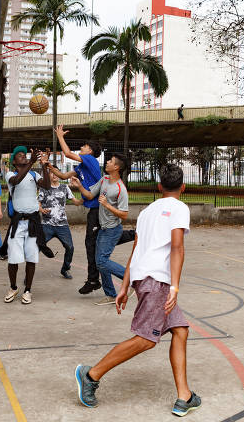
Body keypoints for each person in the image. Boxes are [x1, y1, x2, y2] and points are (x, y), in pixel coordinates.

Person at [75, 164, 200, 417]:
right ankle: (91, 375)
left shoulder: (146, 211)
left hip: (145, 278)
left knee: (180, 330)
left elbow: (136, 250)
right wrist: (174, 286)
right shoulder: (180, 208)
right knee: (146, 339)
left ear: (159, 187)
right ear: (183, 188)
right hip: (158, 281)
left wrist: (125, 285)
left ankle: (184, 396)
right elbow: (177, 248)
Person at [54, 126, 135, 295]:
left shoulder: (89, 159)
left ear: (89, 150)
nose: (81, 148)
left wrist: (60, 137)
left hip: (99, 210)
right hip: (94, 207)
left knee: (93, 246)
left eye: (83, 146)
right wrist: (47, 166)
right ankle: (133, 235)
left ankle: (93, 280)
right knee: (96, 243)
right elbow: (62, 177)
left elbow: (68, 153)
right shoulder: (83, 168)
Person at [70, 153, 129, 306]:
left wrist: (107, 205)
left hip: (112, 230)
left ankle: (132, 279)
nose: (107, 162)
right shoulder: (104, 180)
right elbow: (89, 195)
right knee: (101, 261)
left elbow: (124, 215)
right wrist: (79, 186)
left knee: (101, 261)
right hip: (103, 228)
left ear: (116, 167)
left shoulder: (120, 188)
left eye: (110, 161)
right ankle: (110, 294)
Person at [0, 146, 54, 305]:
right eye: (21, 156)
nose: (24, 157)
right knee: (13, 259)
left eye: (26, 156)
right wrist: (31, 161)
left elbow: (47, 185)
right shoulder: (11, 174)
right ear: (14, 161)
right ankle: (13, 287)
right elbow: (16, 181)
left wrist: (44, 165)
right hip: (17, 222)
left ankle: (28, 290)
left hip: (32, 222)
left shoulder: (33, 174)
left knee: (31, 257)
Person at [40, 165, 83, 279]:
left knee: (70, 247)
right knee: (36, 247)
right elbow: (38, 202)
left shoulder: (65, 188)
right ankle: (29, 273)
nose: (54, 175)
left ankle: (65, 269)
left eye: (57, 172)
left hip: (62, 225)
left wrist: (86, 194)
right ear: (48, 175)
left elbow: (77, 202)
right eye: (52, 173)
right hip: (47, 224)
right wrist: (41, 209)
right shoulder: (44, 188)